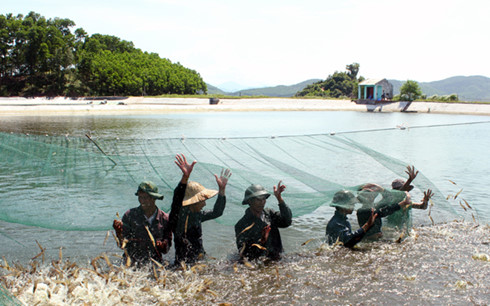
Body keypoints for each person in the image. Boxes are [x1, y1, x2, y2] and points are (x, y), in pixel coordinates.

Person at [113, 153, 196, 266]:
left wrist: (162, 245)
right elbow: (122, 244)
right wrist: (118, 233)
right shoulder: (130, 215)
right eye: (140, 197)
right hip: (132, 262)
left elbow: (166, 249)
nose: (143, 201)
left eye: (146, 198)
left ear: (154, 199)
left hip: (154, 263)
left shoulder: (164, 219)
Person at [173, 168, 232, 265]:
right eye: (202, 201)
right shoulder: (178, 217)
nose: (204, 204)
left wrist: (222, 190)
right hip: (183, 263)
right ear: (193, 202)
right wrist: (185, 176)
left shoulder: (198, 215)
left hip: (199, 259)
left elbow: (217, 212)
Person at [235, 181, 292, 261]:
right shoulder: (241, 225)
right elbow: (244, 253)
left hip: (278, 259)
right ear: (250, 201)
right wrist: (261, 241)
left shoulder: (270, 215)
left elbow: (287, 222)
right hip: (260, 264)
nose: (262, 203)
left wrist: (280, 199)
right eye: (258, 200)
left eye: (264, 199)